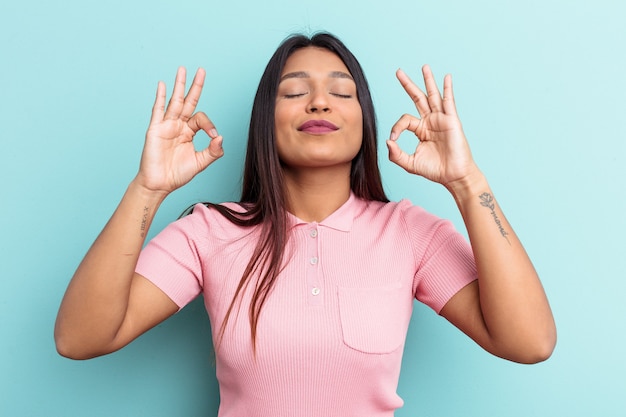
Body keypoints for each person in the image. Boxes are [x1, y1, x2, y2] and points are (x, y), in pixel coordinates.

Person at [55, 32, 556, 416]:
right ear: (263, 121)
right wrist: (149, 188)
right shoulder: (209, 233)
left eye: (342, 93)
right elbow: (80, 338)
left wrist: (468, 182)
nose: (319, 102)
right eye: (294, 92)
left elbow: (529, 342)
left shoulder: (410, 233)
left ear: (365, 122)